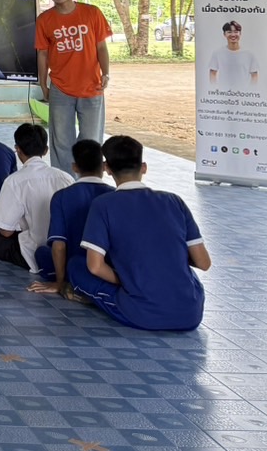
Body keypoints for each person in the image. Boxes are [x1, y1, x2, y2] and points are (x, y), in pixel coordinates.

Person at [69, 135, 212, 331]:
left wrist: (127, 280)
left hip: (142, 313)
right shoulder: (174, 201)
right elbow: (203, 263)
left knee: (76, 265)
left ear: (107, 168)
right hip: (191, 313)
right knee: (180, 271)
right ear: (144, 167)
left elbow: (94, 267)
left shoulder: (103, 205)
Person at [35, 0, 113, 171]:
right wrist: (43, 84)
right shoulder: (44, 20)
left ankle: (89, 178)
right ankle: (66, 180)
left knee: (91, 139)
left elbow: (101, 47)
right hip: (60, 87)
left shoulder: (92, 13)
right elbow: (42, 54)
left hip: (92, 86)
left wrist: (105, 73)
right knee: (61, 140)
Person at [0, 123, 73, 272]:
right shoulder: (66, 178)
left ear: (18, 149)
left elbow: (5, 232)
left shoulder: (14, 181)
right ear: (46, 150)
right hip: (65, 251)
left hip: (32, 253)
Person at [29, 139, 113, 294]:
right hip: (106, 268)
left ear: (74, 167)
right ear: (103, 166)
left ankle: (68, 280)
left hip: (73, 264)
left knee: (41, 252)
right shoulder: (114, 195)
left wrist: (59, 282)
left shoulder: (62, 196)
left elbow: (59, 245)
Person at [207, 20, 261, 89]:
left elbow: (254, 75)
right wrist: (215, 89)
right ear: (224, 34)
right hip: (224, 93)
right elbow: (212, 73)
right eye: (229, 32)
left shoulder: (249, 54)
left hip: (244, 93)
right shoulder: (217, 53)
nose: (233, 35)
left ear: (240, 33)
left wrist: (251, 91)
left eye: (236, 32)